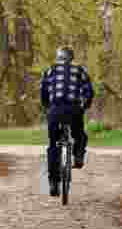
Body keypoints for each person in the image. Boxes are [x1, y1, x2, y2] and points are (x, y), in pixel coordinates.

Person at [39, 46, 94, 197]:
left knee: (53, 146)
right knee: (79, 134)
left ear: (58, 57)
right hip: (73, 110)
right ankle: (78, 156)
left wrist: (47, 107)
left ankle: (53, 183)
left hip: (55, 111)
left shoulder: (50, 70)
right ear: (71, 58)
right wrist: (85, 106)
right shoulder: (80, 70)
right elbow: (89, 91)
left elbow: (43, 91)